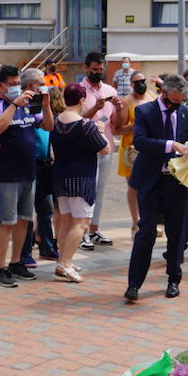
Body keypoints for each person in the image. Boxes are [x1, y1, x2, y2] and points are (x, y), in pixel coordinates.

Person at [125, 74, 188, 302]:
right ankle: (134, 284)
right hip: (151, 181)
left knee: (177, 233)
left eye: (181, 101)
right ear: (164, 93)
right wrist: (171, 145)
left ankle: (173, 279)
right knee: (146, 231)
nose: (178, 105)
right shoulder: (145, 111)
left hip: (178, 182)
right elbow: (139, 141)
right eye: (174, 101)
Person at [0, 64, 54, 287]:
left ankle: (16, 262)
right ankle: (1, 268)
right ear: (0, 86)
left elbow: (48, 126)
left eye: (18, 84)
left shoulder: (29, 104)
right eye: (12, 85)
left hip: (28, 170)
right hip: (6, 172)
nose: (16, 88)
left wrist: (46, 107)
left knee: (24, 220)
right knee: (7, 222)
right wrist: (14, 105)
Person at [50, 84, 110, 282]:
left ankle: (64, 259)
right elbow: (105, 149)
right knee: (81, 223)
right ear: (82, 100)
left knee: (66, 221)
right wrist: (101, 130)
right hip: (81, 179)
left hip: (60, 176)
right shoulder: (85, 125)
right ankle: (65, 264)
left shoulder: (56, 121)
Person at [17, 70, 59, 268]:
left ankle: (48, 246)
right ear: (30, 85)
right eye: (41, 83)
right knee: (26, 212)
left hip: (44, 163)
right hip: (27, 164)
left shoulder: (42, 105)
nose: (45, 86)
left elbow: (49, 127)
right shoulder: (21, 106)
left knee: (46, 209)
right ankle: (25, 252)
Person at [77, 51, 119, 251]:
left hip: (106, 147)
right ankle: (82, 232)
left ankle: (94, 229)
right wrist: (95, 109)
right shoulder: (79, 91)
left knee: (100, 191)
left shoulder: (110, 89)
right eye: (94, 69)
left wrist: (118, 107)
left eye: (101, 70)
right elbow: (75, 118)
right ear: (86, 68)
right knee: (87, 190)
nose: (98, 73)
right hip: (86, 149)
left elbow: (115, 123)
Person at [113, 70, 152, 234]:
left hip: (150, 147)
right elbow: (118, 129)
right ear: (131, 84)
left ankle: (148, 220)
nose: (140, 84)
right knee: (133, 186)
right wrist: (137, 125)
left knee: (150, 186)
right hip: (131, 149)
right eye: (136, 82)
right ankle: (135, 222)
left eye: (142, 80)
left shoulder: (152, 97)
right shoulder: (126, 101)